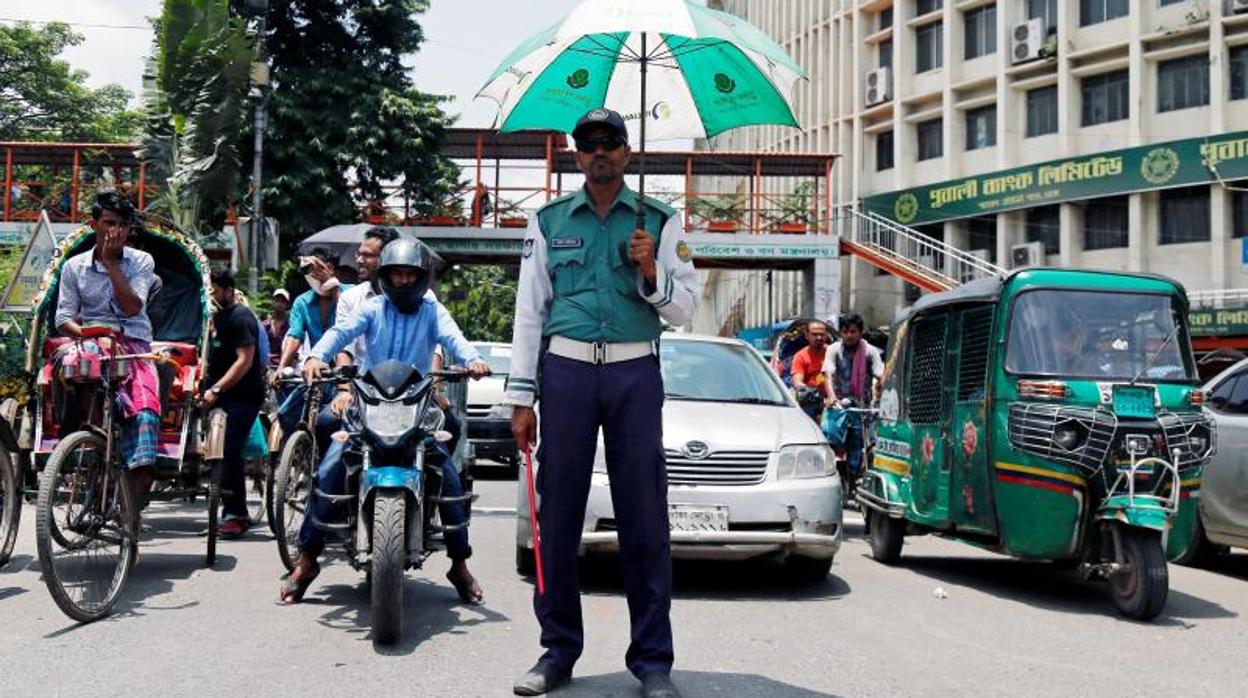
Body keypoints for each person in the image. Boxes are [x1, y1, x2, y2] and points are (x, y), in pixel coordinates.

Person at [506, 108, 699, 698]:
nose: (600, 153)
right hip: (564, 373)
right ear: (576, 155)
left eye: (610, 143)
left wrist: (650, 272)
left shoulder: (661, 223)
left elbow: (686, 309)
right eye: (588, 144)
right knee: (558, 514)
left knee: (645, 516)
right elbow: (529, 312)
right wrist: (522, 395)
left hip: (634, 371)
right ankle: (556, 651)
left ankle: (653, 661)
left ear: (627, 150)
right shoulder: (547, 222)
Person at [278, 239, 490, 605]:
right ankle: (308, 561)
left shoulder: (432, 312)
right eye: (397, 274)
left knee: (448, 476)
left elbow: (456, 340)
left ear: (422, 279)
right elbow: (339, 334)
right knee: (330, 468)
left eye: (411, 275)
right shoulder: (371, 309)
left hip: (417, 408)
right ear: (385, 277)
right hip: (368, 404)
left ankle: (459, 564)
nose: (404, 281)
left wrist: (472, 360)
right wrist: (316, 356)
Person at [53, 191, 161, 499]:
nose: (117, 231)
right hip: (90, 341)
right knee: (73, 360)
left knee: (145, 414)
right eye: (109, 223)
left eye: (123, 225)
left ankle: (131, 505)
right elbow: (63, 317)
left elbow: (132, 308)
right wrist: (87, 334)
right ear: (94, 224)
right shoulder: (74, 267)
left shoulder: (141, 261)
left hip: (134, 344)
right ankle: (90, 429)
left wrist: (112, 264)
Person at [202, 270, 266, 538]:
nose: (213, 295)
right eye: (211, 290)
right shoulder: (216, 318)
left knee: (229, 450)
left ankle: (236, 514)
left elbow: (245, 360)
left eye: (216, 290)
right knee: (215, 451)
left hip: (243, 396)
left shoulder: (241, 317)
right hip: (220, 396)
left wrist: (217, 388)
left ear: (228, 290)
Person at [274, 248, 351, 433]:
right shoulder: (302, 302)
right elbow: (295, 336)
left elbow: (348, 326)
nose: (310, 274)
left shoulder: (351, 294)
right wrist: (280, 367)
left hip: (348, 371)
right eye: (306, 270)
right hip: (317, 371)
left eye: (314, 268)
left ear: (329, 268)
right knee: (286, 413)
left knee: (333, 420)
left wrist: (334, 291)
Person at [823, 313, 885, 480]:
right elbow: (828, 375)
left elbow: (881, 375)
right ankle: (836, 469)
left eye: (853, 331)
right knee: (830, 434)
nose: (849, 335)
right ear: (840, 332)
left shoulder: (870, 351)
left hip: (861, 406)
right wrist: (831, 397)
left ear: (860, 331)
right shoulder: (833, 349)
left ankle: (854, 477)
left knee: (858, 448)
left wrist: (882, 393)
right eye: (845, 331)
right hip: (839, 404)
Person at [790, 320, 832, 423]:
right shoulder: (800, 356)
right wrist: (817, 397)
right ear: (807, 335)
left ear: (826, 335)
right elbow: (797, 382)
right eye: (814, 334)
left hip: (834, 400)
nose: (819, 338)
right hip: (811, 401)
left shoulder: (833, 352)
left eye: (822, 334)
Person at [264, 288, 291, 367]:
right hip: (268, 364)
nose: (280, 303)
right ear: (273, 302)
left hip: (287, 364)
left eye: (283, 301)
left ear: (287, 305)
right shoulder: (265, 325)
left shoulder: (292, 325)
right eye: (277, 300)